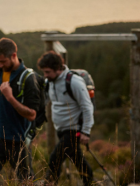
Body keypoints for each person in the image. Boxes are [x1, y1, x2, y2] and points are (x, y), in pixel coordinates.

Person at [0, 38, 42, 185]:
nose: (0, 65)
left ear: (14, 56)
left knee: (26, 181)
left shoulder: (28, 79)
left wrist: (10, 97)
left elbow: (32, 115)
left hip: (18, 140)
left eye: (3, 61)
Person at [37, 51, 93, 186]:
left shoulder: (74, 82)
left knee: (54, 159)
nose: (45, 75)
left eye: (48, 72)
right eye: (44, 72)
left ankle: (50, 183)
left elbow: (87, 107)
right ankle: (90, 182)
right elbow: (45, 102)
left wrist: (86, 131)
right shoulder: (50, 82)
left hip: (73, 129)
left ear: (58, 69)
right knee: (77, 159)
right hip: (61, 129)